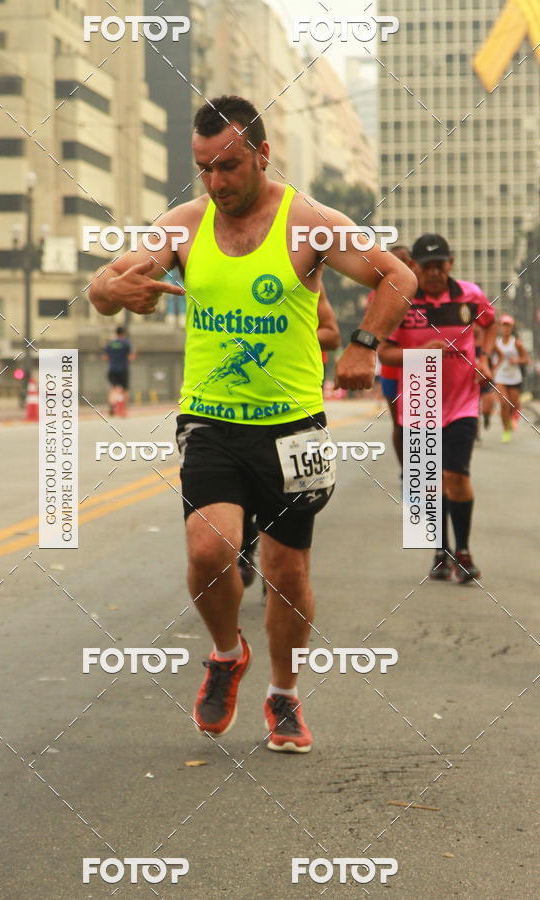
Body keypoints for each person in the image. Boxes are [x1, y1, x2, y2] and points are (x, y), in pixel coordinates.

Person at [89, 94, 416, 753]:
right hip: (209, 420)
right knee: (210, 551)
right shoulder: (185, 225)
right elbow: (108, 283)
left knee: (287, 572)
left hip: (294, 427)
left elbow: (398, 277)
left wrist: (362, 344)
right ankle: (224, 652)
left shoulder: (309, 223)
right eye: (204, 168)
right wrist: (110, 291)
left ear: (263, 155)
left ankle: (284, 694)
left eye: (229, 166)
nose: (216, 183)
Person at [378, 233, 496, 584]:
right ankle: (439, 552)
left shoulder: (471, 296)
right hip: (418, 399)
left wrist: (485, 358)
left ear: (451, 263)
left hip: (462, 401)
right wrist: (421, 353)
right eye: (426, 266)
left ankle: (463, 552)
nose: (433, 273)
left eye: (439, 265)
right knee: (429, 485)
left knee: (456, 475)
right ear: (413, 266)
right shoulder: (400, 300)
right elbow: (384, 353)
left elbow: (488, 325)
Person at [237, 282, 340, 588]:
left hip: (295, 409)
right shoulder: (228, 280)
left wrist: (287, 334)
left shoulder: (306, 281)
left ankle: (276, 572)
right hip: (236, 407)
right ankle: (244, 547)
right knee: (238, 490)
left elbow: (332, 335)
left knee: (286, 498)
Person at [368, 245, 413, 466]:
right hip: (392, 370)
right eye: (395, 260)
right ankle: (406, 470)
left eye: (405, 260)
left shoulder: (420, 294)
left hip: (417, 369)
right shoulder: (376, 293)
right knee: (400, 424)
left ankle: (425, 471)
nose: (400, 264)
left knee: (422, 425)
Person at [493, 314, 529, 443]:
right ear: (501, 327)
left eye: (508, 326)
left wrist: (518, 360)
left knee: (513, 405)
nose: (506, 328)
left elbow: (526, 359)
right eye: (504, 325)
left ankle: (514, 415)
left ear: (512, 328)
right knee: (504, 403)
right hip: (500, 377)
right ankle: (506, 429)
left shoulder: (516, 343)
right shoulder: (496, 342)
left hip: (514, 378)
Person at [103, 326, 134, 413]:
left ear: (115, 333)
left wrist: (113, 360)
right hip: (123, 369)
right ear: (123, 333)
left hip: (112, 369)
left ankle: (111, 406)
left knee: (113, 389)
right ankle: (124, 408)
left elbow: (105, 357)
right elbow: (130, 357)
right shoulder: (126, 344)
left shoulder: (110, 344)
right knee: (124, 390)